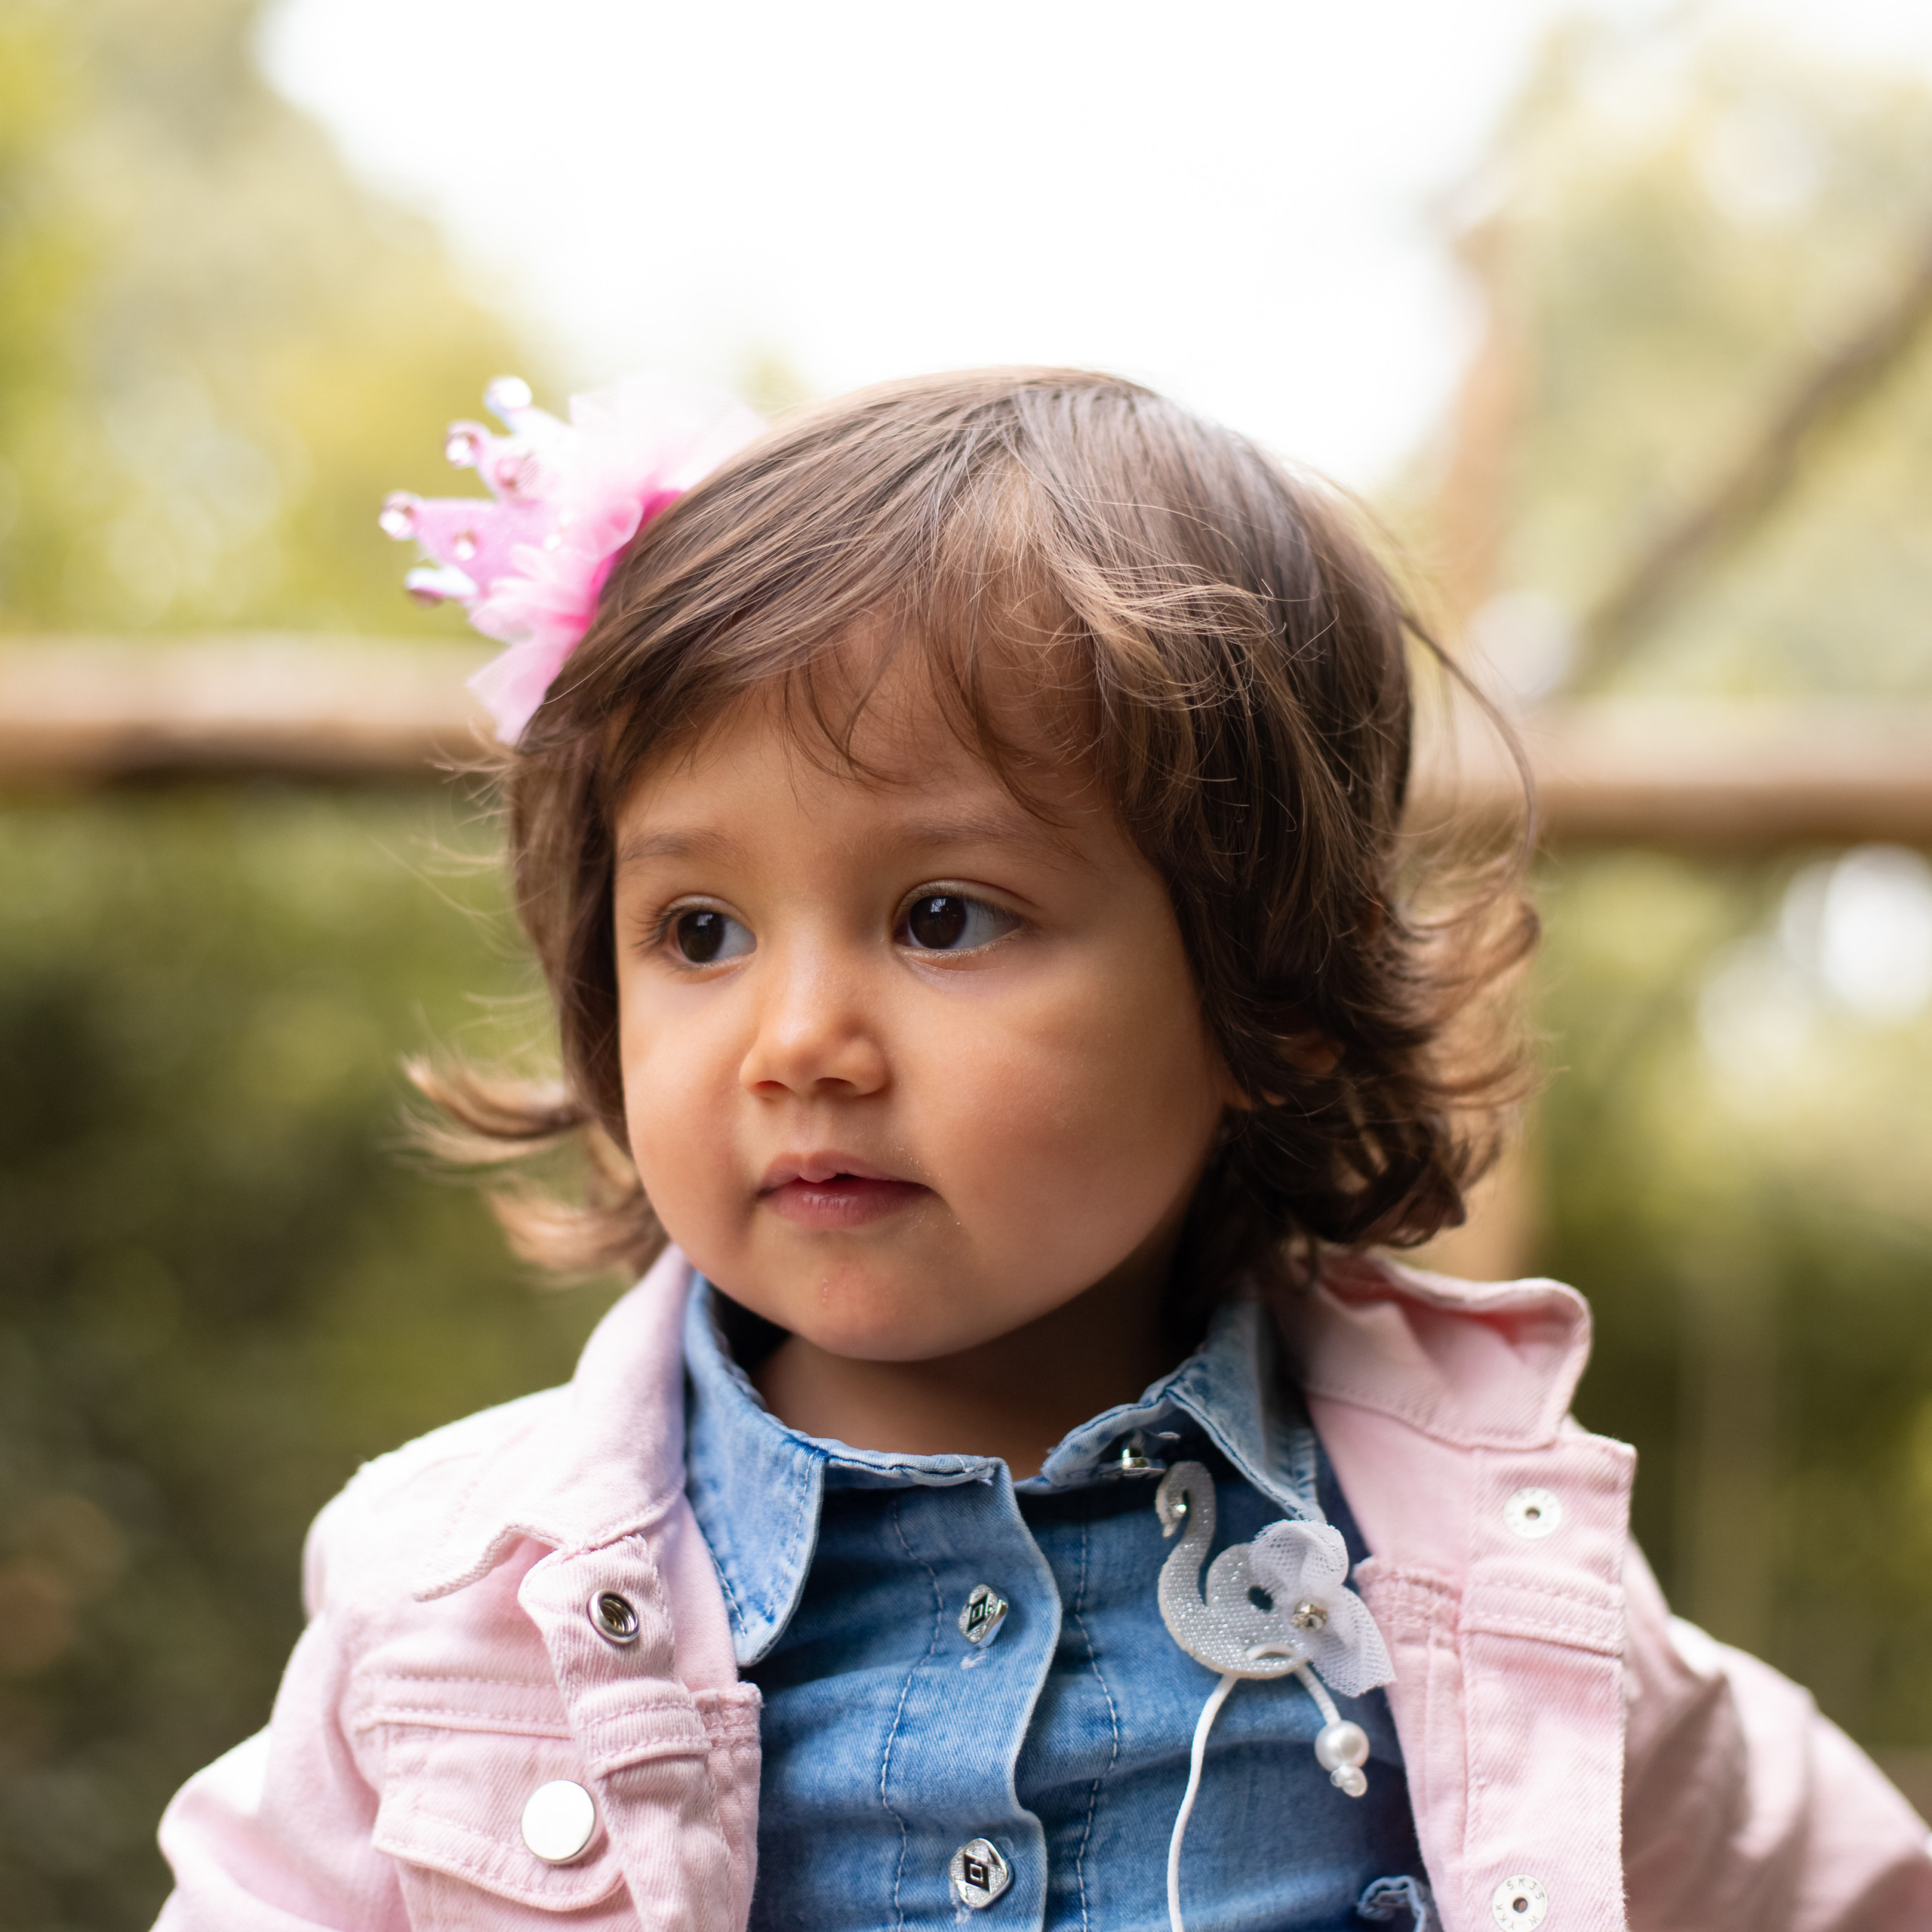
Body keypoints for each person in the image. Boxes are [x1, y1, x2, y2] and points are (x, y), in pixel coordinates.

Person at [152, 369, 1931, 1932]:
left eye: (941, 915)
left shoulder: (1483, 1566)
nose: (795, 1042)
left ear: (1267, 991)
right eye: (698, 929)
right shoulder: (460, 1604)